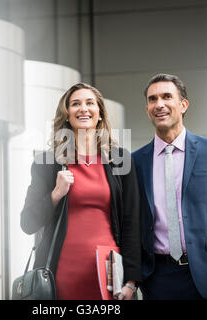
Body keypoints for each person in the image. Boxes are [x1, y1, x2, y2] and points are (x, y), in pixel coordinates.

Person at [132, 73, 207, 300]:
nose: (159, 104)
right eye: (152, 99)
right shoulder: (136, 162)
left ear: (183, 105)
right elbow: (132, 226)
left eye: (167, 97)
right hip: (157, 279)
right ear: (147, 109)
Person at [20, 82, 142, 300]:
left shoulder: (121, 160)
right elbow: (27, 222)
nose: (83, 109)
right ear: (67, 114)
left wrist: (131, 282)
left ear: (100, 113)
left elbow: (132, 223)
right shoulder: (47, 162)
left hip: (110, 276)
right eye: (75, 104)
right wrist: (56, 193)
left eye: (90, 103)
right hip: (60, 274)